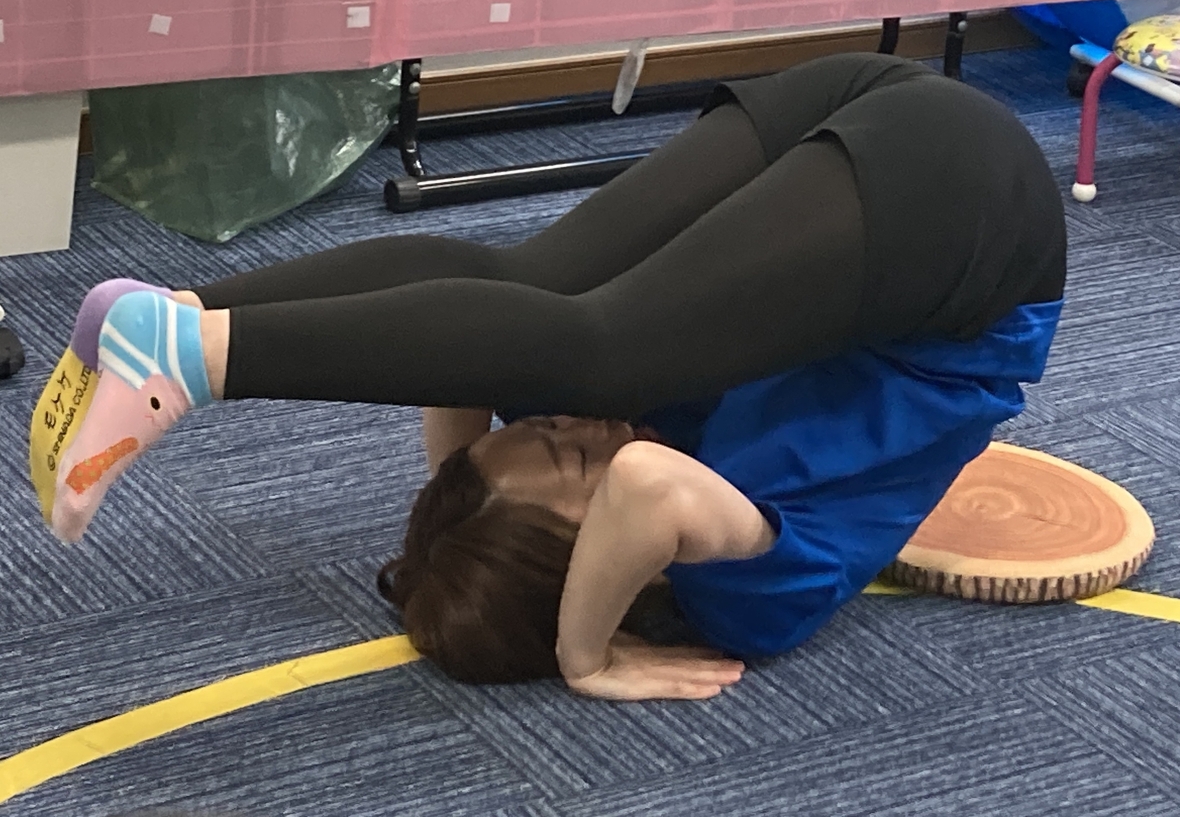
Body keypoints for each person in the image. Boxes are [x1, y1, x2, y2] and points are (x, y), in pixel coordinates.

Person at [38, 52, 1066, 702]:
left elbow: (474, 360)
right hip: (969, 230)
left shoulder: (605, 447)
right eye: (569, 457)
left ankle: (181, 320)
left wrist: (458, 480)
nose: (581, 426)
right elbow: (643, 491)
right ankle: (186, 351)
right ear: (607, 571)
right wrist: (585, 654)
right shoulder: (747, 596)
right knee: (599, 345)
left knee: (531, 294)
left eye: (544, 433)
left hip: (859, 120)